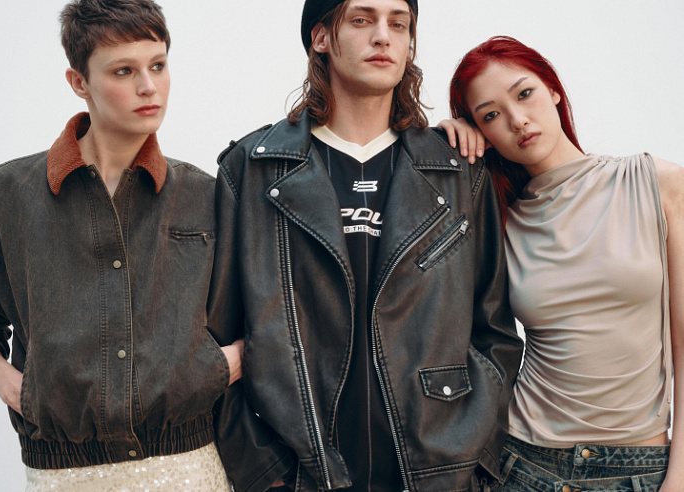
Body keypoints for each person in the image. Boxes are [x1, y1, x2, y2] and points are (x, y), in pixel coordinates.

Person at [208, 1, 524, 491]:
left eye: (399, 23)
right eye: (361, 19)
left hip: (435, 474)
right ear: (320, 38)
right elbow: (217, 339)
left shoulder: (460, 173)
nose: (383, 36)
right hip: (300, 475)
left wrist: (474, 458)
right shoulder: (252, 169)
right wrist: (264, 473)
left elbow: (495, 335)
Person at [0, 1, 243, 490]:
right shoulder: (10, 193)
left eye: (158, 66)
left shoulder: (205, 195)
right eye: (123, 71)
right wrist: (13, 387)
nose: (148, 87)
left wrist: (219, 368)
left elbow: (266, 311)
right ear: (78, 82)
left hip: (192, 470)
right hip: (62, 475)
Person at [439, 36, 684, 491]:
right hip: (524, 463)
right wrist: (441, 146)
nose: (517, 120)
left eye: (524, 93)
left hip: (639, 469)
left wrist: (680, 477)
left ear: (552, 89)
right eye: (490, 116)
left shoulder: (657, 184)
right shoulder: (500, 221)